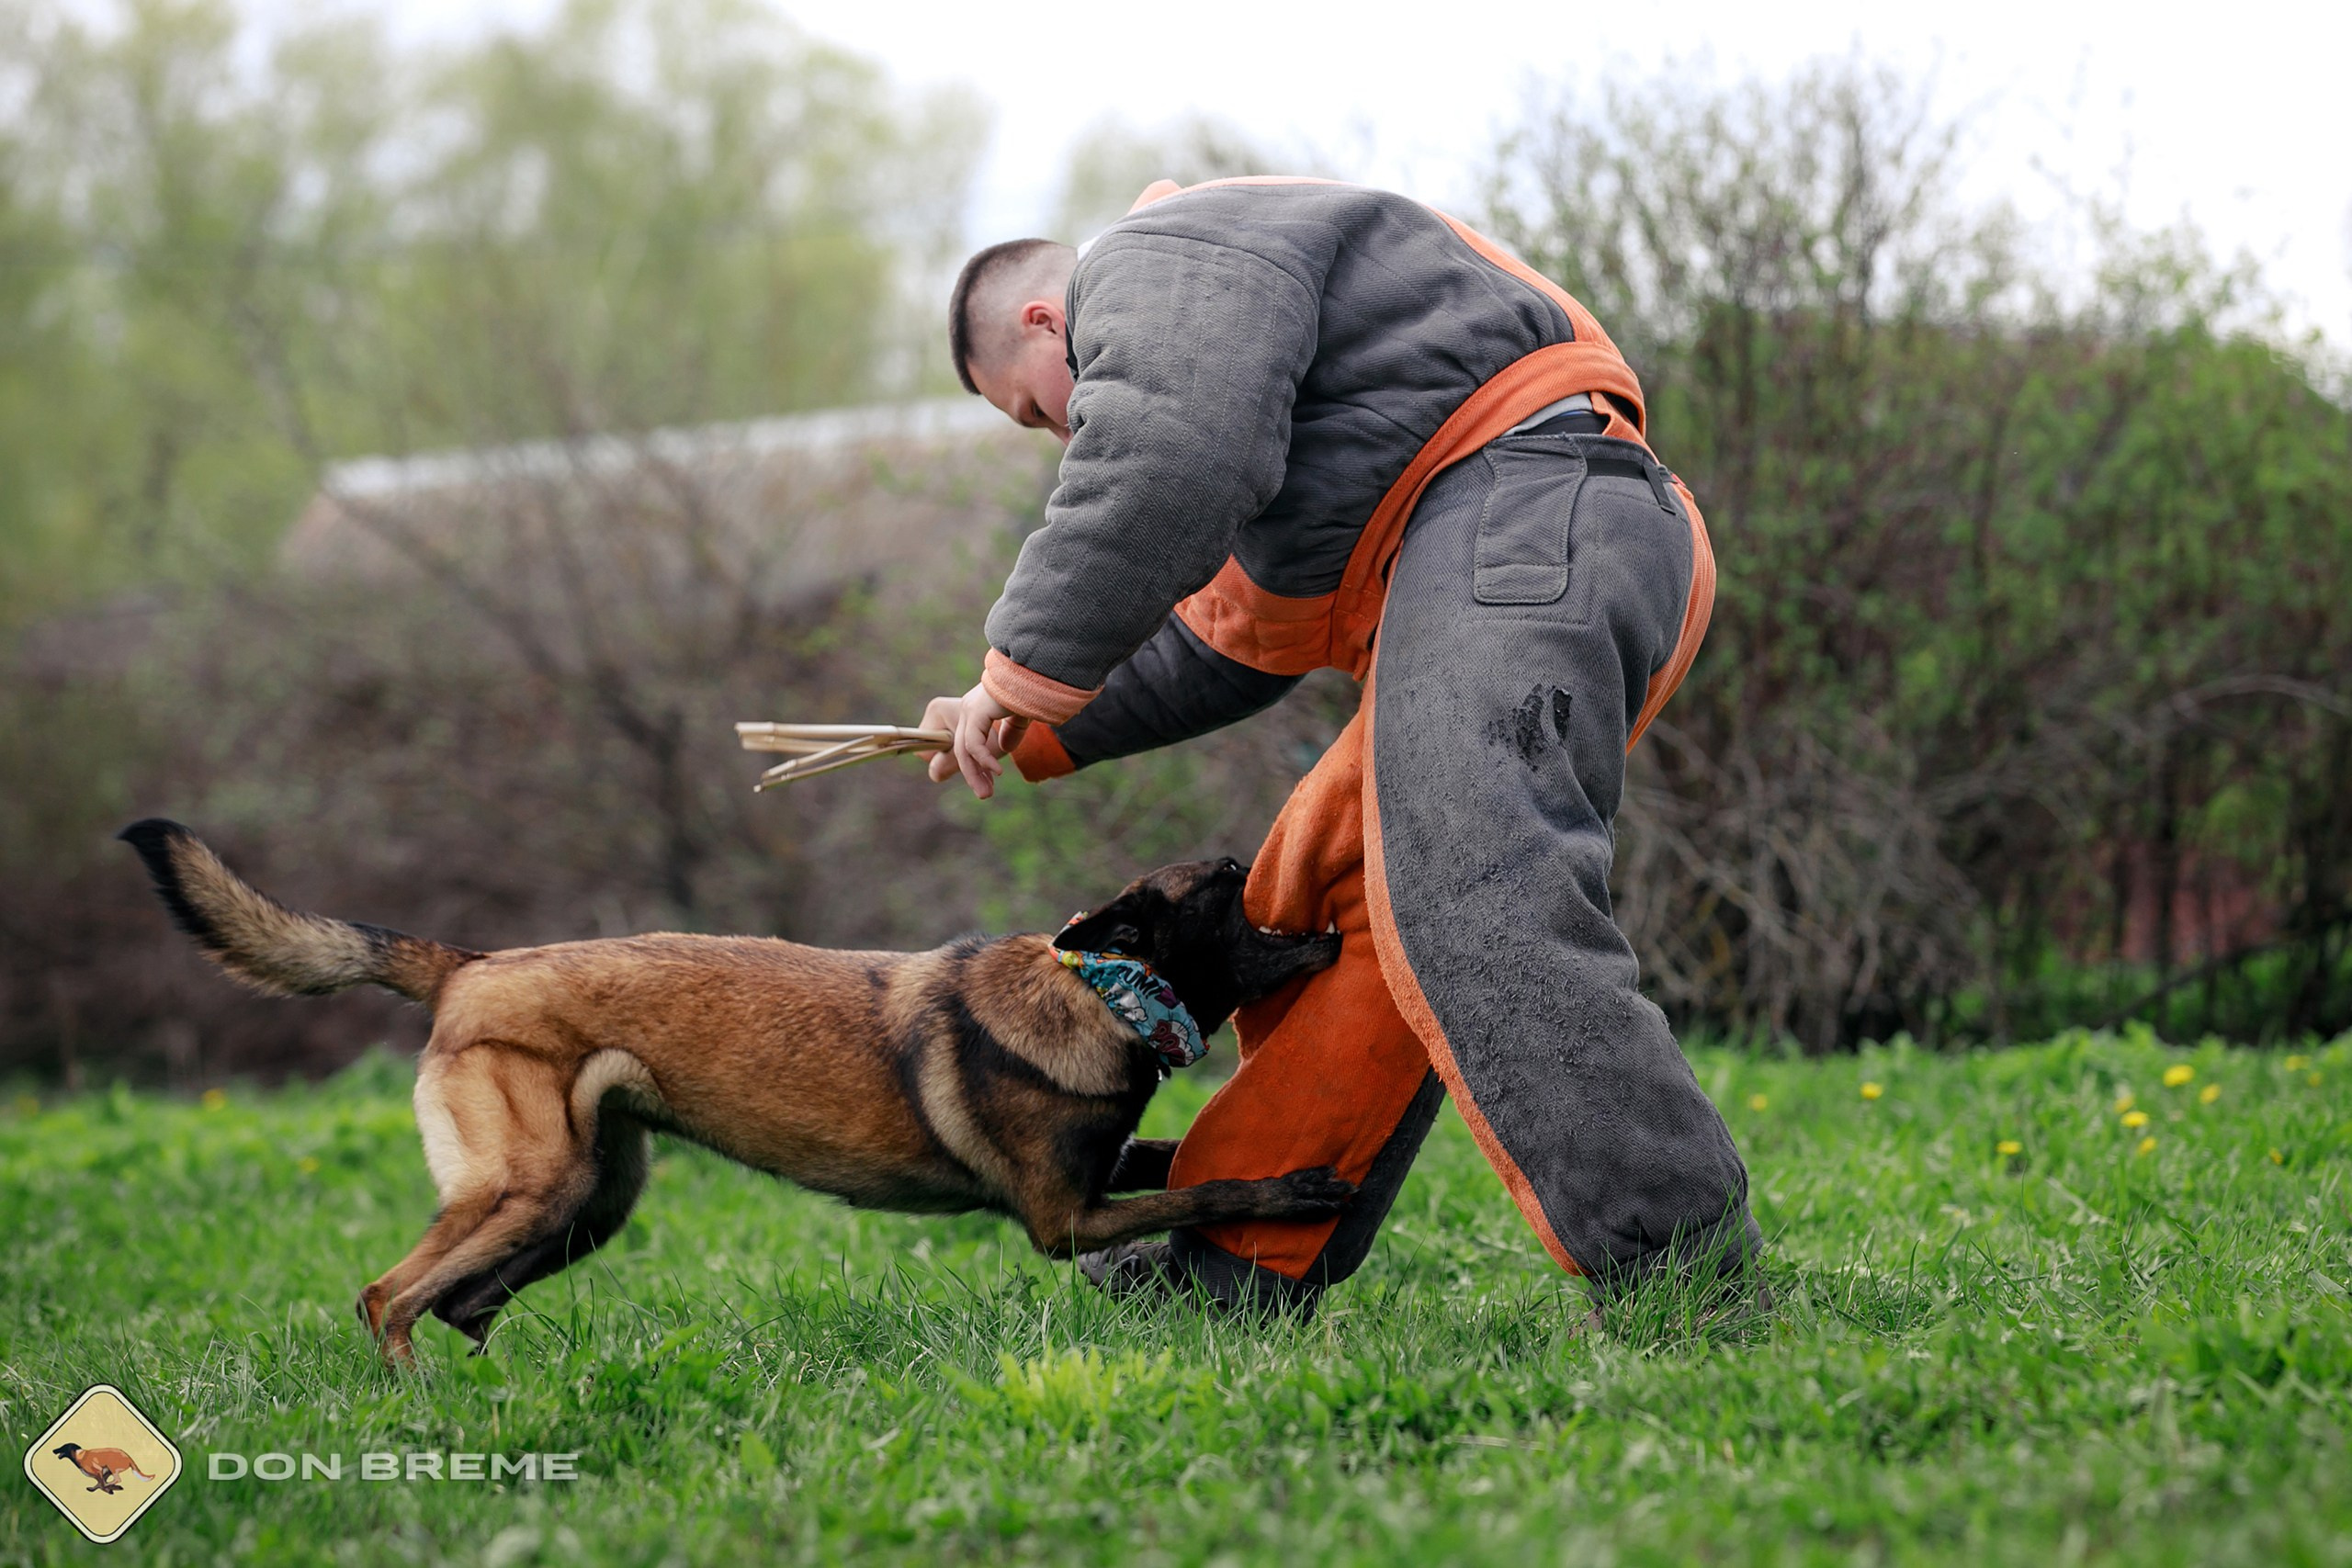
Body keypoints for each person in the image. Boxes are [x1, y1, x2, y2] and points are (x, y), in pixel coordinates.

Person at [921, 176, 1759, 1314]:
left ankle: (1685, 1272)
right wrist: (1015, 721)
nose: (1064, 432)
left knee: (1475, 886)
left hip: (1528, 501)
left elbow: (1163, 456)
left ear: (1044, 321)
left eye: (1038, 411)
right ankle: (1232, 1267)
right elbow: (1221, 638)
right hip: (1490, 541)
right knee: (1324, 910)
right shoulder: (1259, 378)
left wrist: (1013, 661)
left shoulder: (1157, 253)